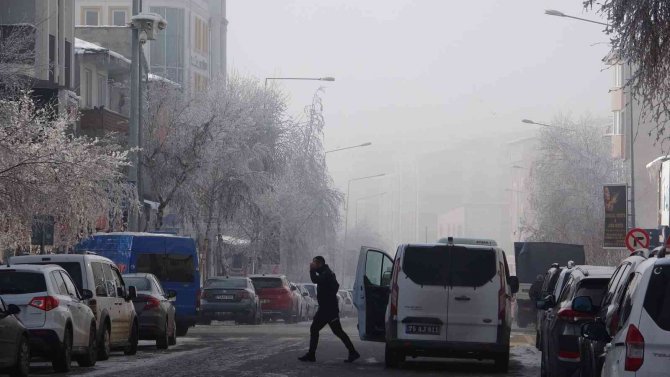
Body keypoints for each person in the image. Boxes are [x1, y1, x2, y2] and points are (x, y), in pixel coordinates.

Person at [298, 256, 360, 363]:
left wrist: (311, 270)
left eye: (315, 263)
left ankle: (312, 355)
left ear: (320, 264)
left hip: (328, 309)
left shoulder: (326, 273)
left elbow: (315, 280)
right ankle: (352, 352)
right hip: (327, 308)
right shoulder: (326, 272)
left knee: (324, 329)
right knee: (332, 330)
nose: (313, 265)